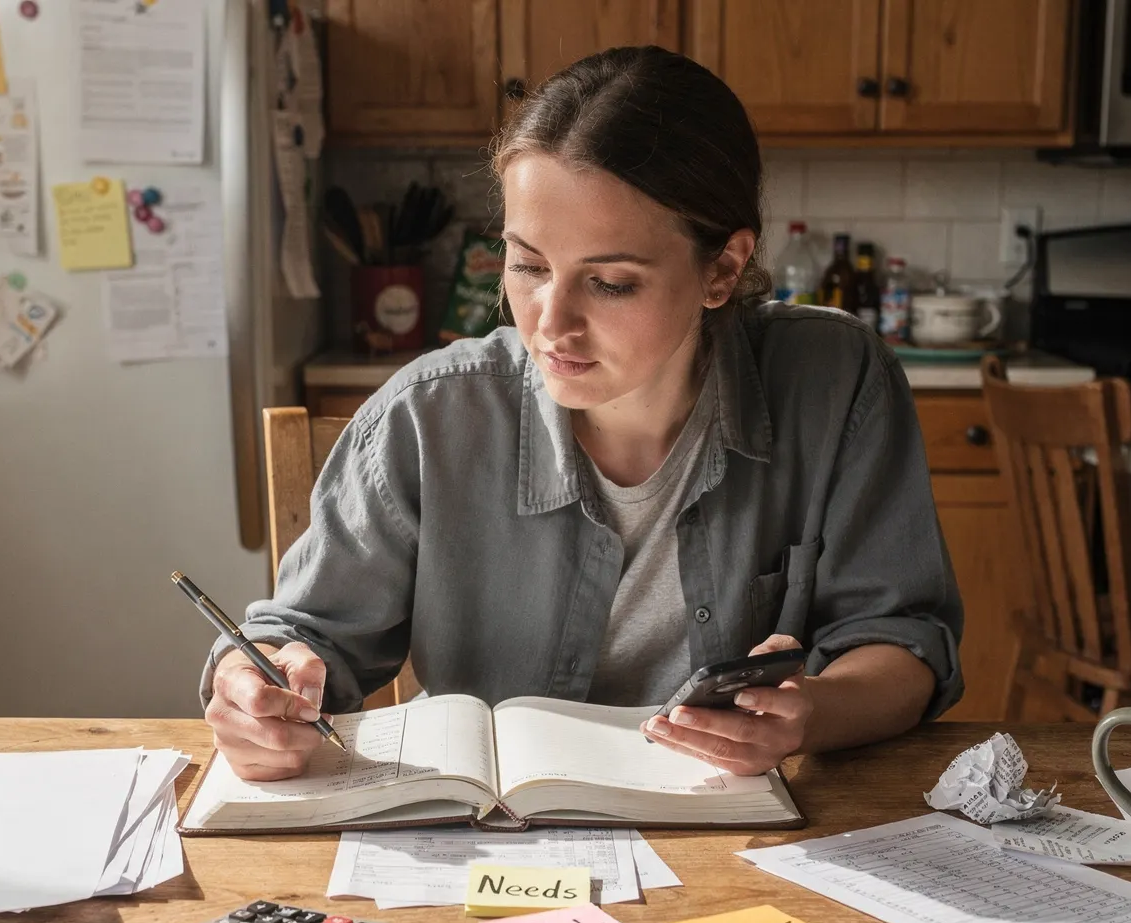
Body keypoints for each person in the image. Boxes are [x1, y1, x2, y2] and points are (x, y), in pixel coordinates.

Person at [202, 46, 963, 781]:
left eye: (611, 284)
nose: (548, 323)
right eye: (528, 265)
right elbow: (301, 638)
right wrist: (256, 685)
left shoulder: (835, 381)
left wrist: (813, 712)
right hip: (490, 845)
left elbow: (902, 639)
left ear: (723, 269)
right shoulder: (428, 414)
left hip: (740, 837)